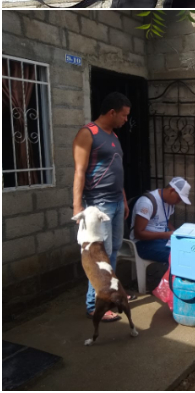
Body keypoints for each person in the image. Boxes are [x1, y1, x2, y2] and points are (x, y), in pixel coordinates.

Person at [73, 92, 131, 322]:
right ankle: (93, 304)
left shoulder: (114, 136)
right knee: (100, 257)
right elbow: (79, 171)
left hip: (116, 201)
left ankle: (110, 293)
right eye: (124, 115)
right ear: (112, 112)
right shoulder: (87, 134)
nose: (126, 120)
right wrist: (78, 207)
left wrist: (124, 199)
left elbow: (118, 171)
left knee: (114, 251)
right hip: (98, 205)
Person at [130, 176, 192, 262]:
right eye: (179, 199)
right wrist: (166, 235)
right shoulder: (147, 203)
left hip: (160, 240)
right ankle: (173, 275)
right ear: (172, 191)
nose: (179, 202)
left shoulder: (169, 203)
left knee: (189, 248)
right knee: (179, 255)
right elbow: (138, 234)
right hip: (142, 244)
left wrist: (175, 233)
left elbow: (165, 220)